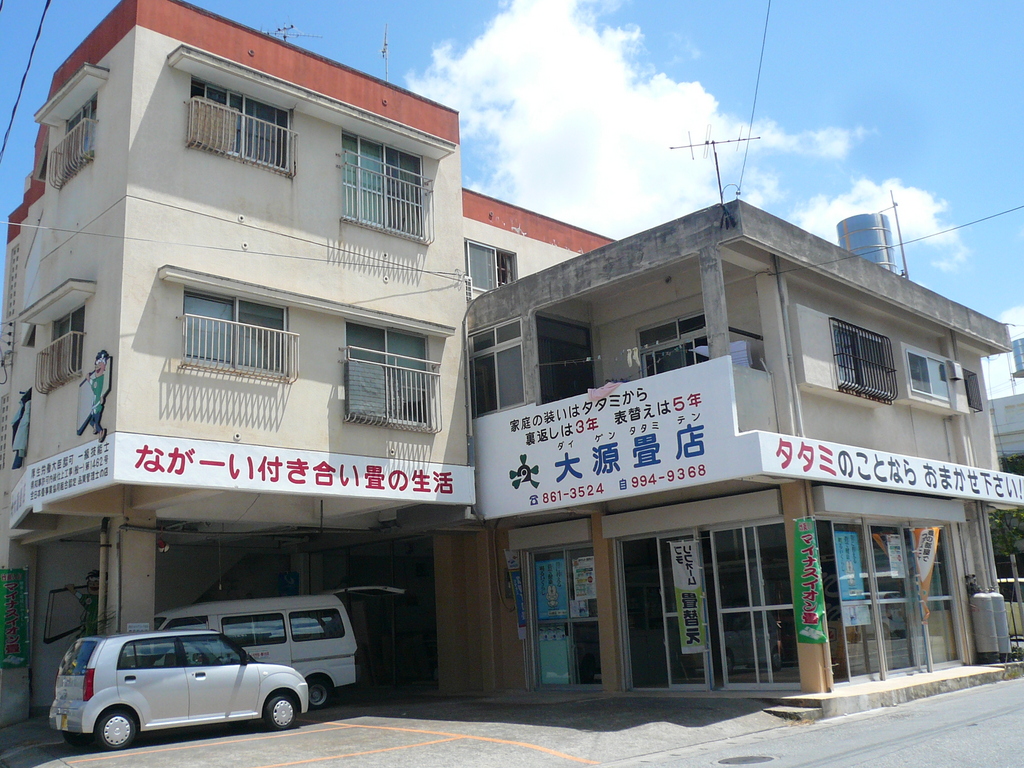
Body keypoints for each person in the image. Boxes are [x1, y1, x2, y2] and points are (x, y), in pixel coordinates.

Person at [66, 570, 100, 636]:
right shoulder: (89, 597)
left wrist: (72, 590)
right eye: (91, 584)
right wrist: (72, 590)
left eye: (97, 584)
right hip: (90, 623)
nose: (93, 586)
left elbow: (82, 597)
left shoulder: (96, 599)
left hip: (94, 624)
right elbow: (81, 597)